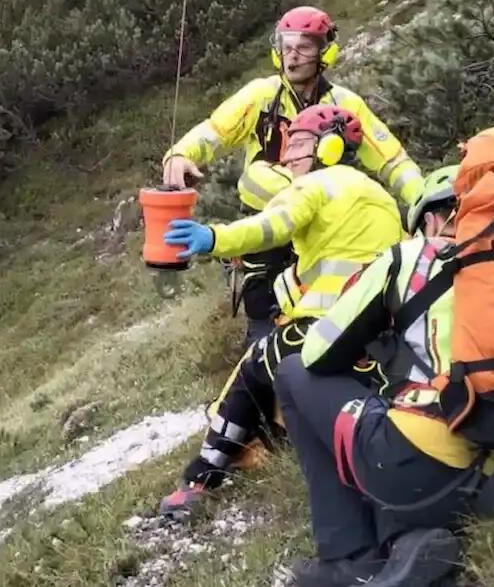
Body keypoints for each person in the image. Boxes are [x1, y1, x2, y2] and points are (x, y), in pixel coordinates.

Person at [275, 126, 494, 587]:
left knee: (294, 373)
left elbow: (318, 353)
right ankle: (407, 539)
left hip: (419, 466)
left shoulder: (410, 257)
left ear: (434, 218)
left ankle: (347, 557)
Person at [158, 104, 408, 517]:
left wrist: (213, 238)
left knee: (255, 365)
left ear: (329, 147)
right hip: (381, 338)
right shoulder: (379, 196)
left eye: (299, 144)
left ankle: (200, 479)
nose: (287, 155)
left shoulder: (317, 184)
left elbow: (271, 226)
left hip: (326, 326)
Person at [162, 6, 424, 347]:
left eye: (304, 47)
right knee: (262, 303)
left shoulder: (345, 104)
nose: (293, 56)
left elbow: (392, 160)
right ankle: (262, 338)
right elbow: (215, 131)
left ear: (325, 52)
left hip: (328, 219)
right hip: (268, 214)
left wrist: (425, 203)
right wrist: (181, 154)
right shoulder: (261, 95)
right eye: (286, 46)